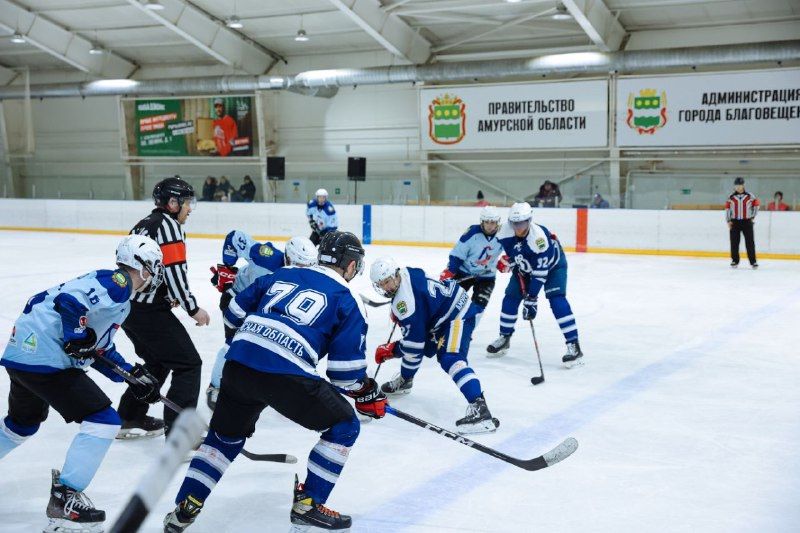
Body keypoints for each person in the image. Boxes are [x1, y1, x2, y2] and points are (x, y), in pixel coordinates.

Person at [163, 231, 386, 532]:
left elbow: (233, 313)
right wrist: (366, 393)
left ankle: (186, 505)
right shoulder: (349, 301)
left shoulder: (285, 273)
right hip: (286, 375)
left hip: (239, 365)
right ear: (351, 266)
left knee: (223, 438)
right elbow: (345, 375)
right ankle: (308, 504)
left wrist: (252, 343)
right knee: (345, 426)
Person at [0, 235, 162, 533]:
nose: (152, 276)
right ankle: (64, 500)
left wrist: (131, 375)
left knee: (21, 425)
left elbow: (97, 348)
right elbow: (70, 304)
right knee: (103, 421)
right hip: (45, 356)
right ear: (140, 266)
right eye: (151, 269)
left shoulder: (116, 296)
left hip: (24, 353)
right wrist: (76, 336)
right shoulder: (118, 282)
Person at [117, 177, 210, 439]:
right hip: (148, 313)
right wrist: (193, 308)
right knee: (188, 365)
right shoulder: (169, 227)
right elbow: (174, 271)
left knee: (157, 362)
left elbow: (141, 268)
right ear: (173, 203)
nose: (189, 209)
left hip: (129, 308)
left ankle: (129, 416)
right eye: (187, 203)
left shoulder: (145, 223)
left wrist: (164, 293)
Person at [370, 256, 500, 435]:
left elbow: (413, 346)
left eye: (387, 281)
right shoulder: (407, 272)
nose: (386, 287)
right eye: (381, 284)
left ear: (395, 274)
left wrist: (392, 350)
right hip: (442, 316)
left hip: (457, 316)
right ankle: (406, 381)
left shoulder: (405, 303)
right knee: (422, 347)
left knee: (450, 358)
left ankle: (481, 410)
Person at [204, 232, 317, 410]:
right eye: (299, 264)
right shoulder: (267, 256)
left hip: (261, 309)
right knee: (233, 344)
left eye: (308, 266)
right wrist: (228, 266)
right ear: (288, 258)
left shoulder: (305, 274)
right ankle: (216, 387)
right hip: (236, 301)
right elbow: (235, 237)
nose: (303, 270)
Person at [487, 202, 583, 368]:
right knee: (510, 298)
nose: (518, 227)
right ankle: (504, 337)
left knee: (557, 300)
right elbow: (503, 251)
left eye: (522, 223)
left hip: (553, 267)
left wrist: (531, 299)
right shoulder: (504, 232)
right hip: (525, 267)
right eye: (514, 223)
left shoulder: (538, 238)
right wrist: (506, 261)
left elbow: (540, 272)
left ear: (529, 220)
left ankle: (574, 345)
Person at [439, 206, 504, 319]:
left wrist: (507, 261)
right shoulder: (472, 233)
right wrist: (450, 270)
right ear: (481, 222)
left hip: (486, 276)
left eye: (492, 222)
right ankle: (441, 327)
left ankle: (466, 331)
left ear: (497, 223)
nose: (489, 225)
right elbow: (458, 253)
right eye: (486, 222)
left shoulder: (504, 235)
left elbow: (514, 250)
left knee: (479, 307)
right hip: (464, 272)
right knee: (449, 301)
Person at [725, 177, 760, 268]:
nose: (738, 187)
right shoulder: (731, 197)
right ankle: (734, 260)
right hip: (735, 222)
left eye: (740, 185)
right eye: (736, 185)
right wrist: (728, 220)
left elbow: (756, 206)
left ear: (743, 185)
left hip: (747, 222)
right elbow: (728, 209)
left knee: (750, 242)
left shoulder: (750, 196)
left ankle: (753, 261)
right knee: (734, 242)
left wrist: (752, 216)